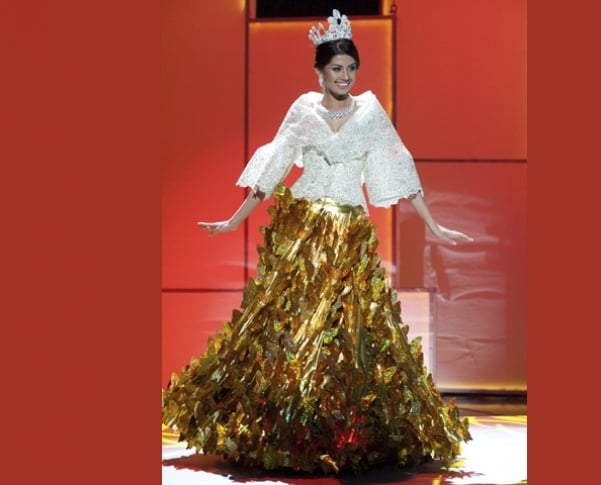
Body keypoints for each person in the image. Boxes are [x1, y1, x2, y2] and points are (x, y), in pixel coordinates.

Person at [162, 9, 473, 474]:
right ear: (319, 72)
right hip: (303, 231)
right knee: (290, 329)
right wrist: (233, 220)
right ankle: (282, 428)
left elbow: (398, 169)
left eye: (351, 68)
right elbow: (273, 170)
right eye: (336, 69)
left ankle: (344, 429)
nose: (344, 76)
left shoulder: (370, 112)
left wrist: (434, 225)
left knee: (349, 332)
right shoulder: (302, 110)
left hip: (347, 232)